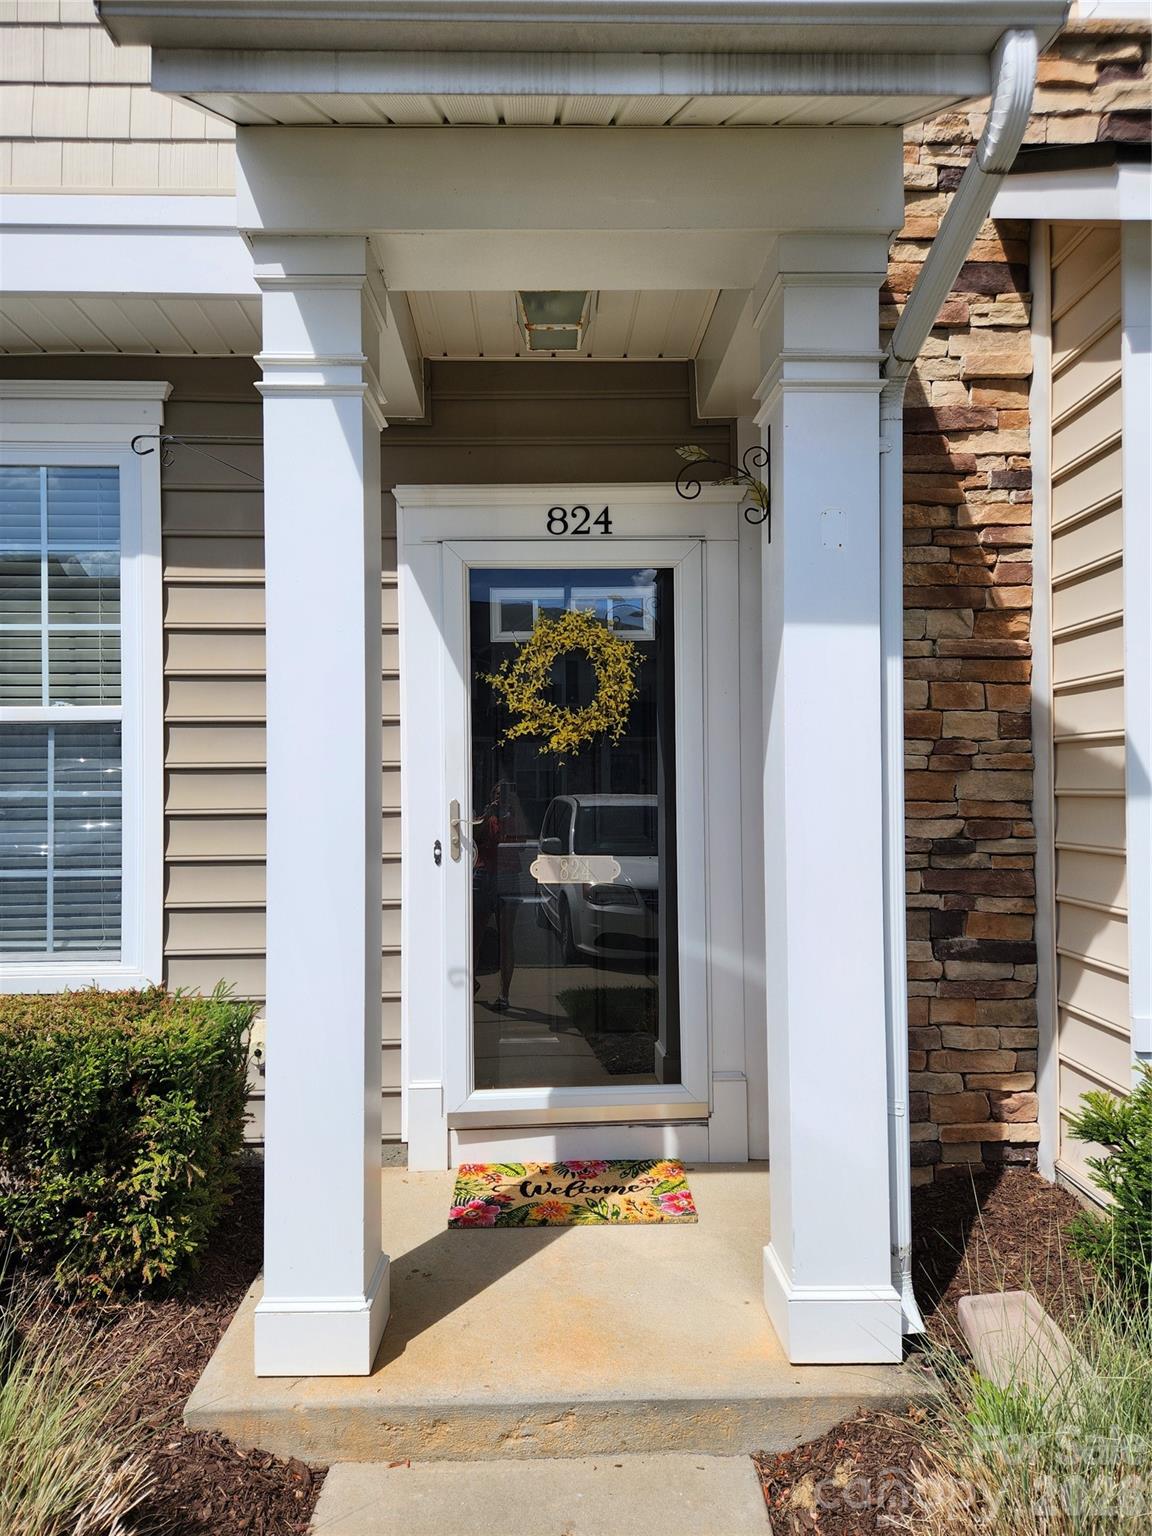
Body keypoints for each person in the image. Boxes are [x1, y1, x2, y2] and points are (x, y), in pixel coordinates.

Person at [472, 780, 528, 1010]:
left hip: (508, 876)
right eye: (496, 793)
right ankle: (469, 984)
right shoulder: (486, 815)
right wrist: (487, 815)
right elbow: (473, 838)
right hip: (483, 875)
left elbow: (522, 842)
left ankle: (504, 994)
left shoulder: (514, 817)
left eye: (504, 793)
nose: (500, 797)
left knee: (506, 937)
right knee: (473, 936)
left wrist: (516, 807)